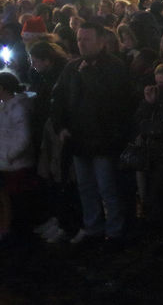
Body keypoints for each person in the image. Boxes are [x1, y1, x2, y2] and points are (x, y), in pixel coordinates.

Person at [51, 23, 134, 248]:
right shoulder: (72, 67)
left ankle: (115, 231)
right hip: (79, 140)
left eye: (86, 39)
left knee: (107, 188)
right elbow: (58, 99)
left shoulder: (114, 67)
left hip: (104, 140)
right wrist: (61, 127)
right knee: (86, 187)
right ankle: (93, 227)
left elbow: (114, 102)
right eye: (79, 39)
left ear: (100, 41)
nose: (82, 44)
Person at [0, 71, 33, 242]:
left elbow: (23, 137)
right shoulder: (6, 107)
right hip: (7, 162)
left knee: (16, 200)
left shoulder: (17, 108)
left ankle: (17, 232)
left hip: (15, 163)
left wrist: (8, 155)